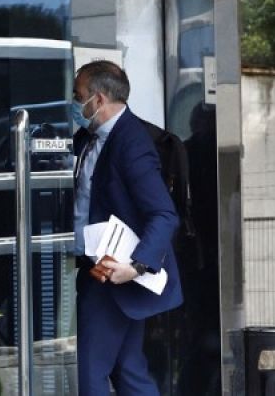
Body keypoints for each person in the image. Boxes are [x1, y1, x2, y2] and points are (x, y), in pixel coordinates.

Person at [70, 60, 183, 396]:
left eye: (78, 96)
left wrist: (134, 267)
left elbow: (164, 214)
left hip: (112, 276)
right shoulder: (88, 138)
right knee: (129, 371)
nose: (74, 104)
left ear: (99, 99)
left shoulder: (131, 143)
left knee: (90, 372)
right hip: (101, 273)